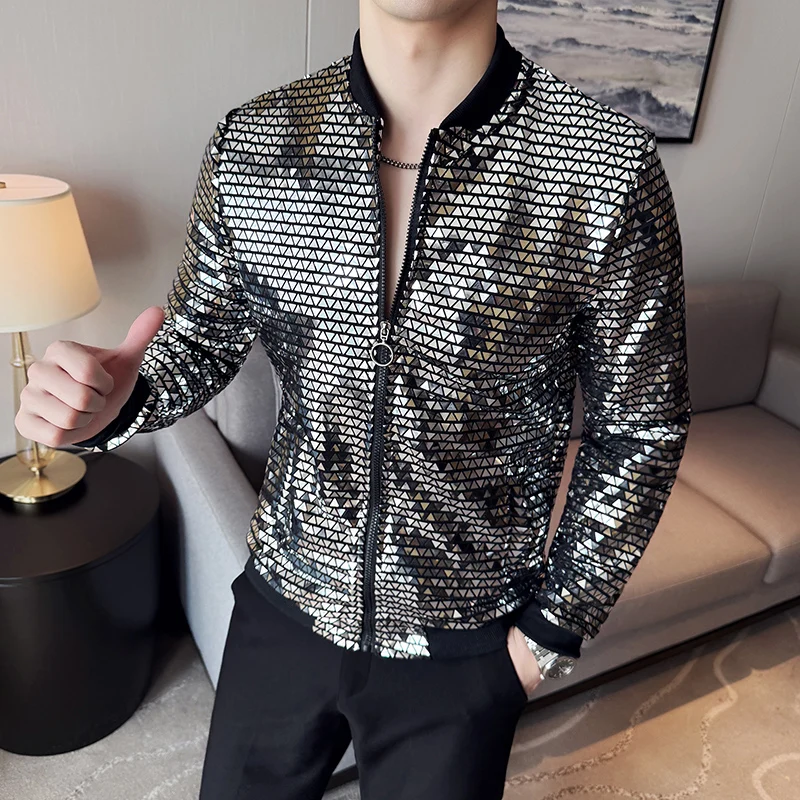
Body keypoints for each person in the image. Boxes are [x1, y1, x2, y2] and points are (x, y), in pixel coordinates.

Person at [15, 0, 693, 797]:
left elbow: (640, 427)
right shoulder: (256, 144)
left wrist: (547, 634)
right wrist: (117, 402)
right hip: (283, 604)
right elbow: (198, 343)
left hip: (466, 644)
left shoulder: (603, 167)